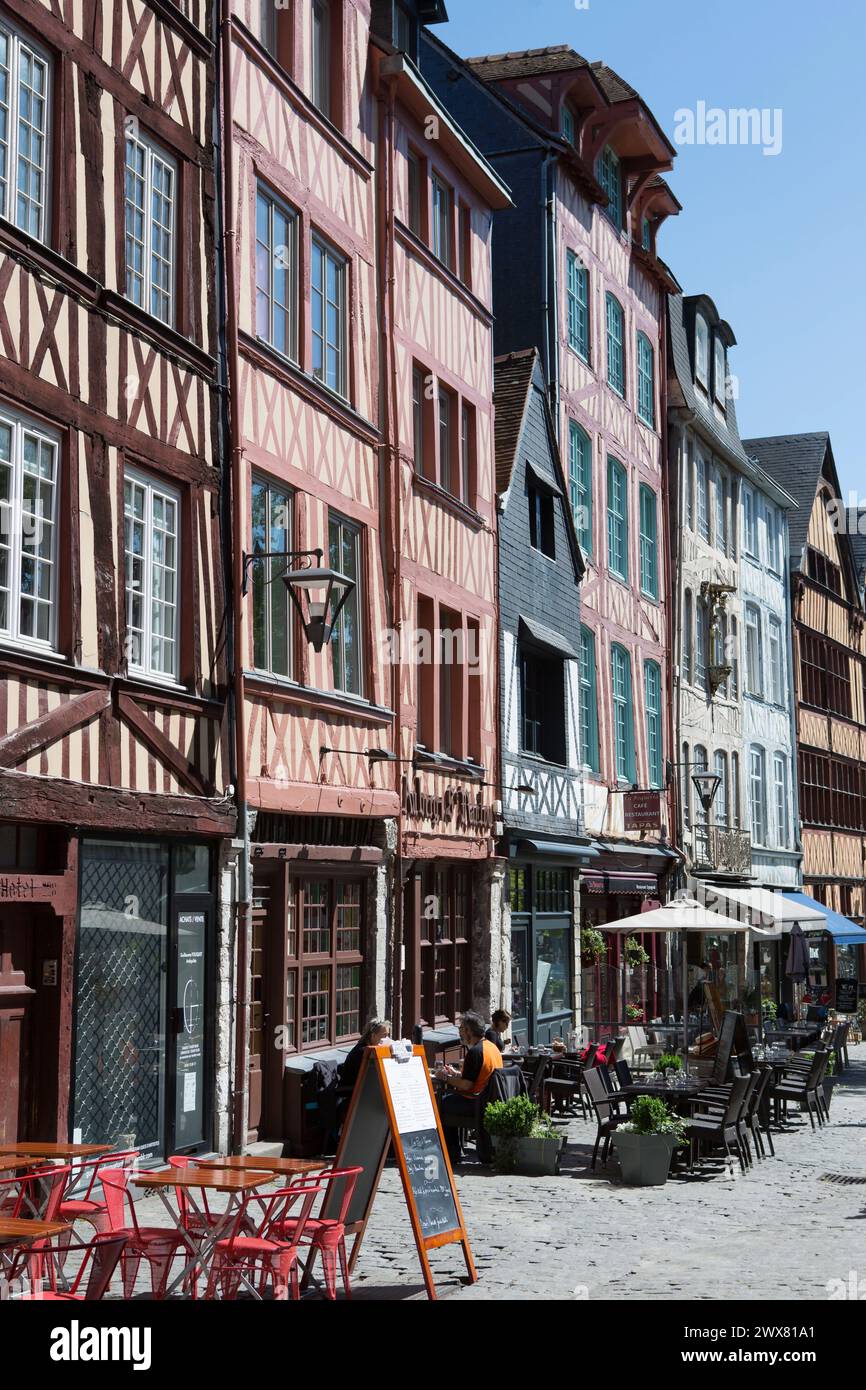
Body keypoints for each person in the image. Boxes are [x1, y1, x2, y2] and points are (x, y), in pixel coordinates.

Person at [436, 1011, 503, 1161]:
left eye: (461, 1029)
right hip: (488, 1099)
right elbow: (479, 1075)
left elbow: (466, 1085)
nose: (460, 1033)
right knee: (448, 1099)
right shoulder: (491, 1047)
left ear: (468, 1031)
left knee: (439, 1102)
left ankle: (451, 1153)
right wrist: (457, 1074)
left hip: (476, 1102)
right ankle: (454, 1149)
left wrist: (445, 1077)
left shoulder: (475, 1052)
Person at [338, 1018, 391, 1093]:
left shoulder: (372, 1047)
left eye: (387, 1035)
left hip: (363, 1086)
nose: (387, 1038)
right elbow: (369, 1076)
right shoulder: (362, 1051)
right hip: (352, 1089)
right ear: (373, 1035)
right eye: (384, 1035)